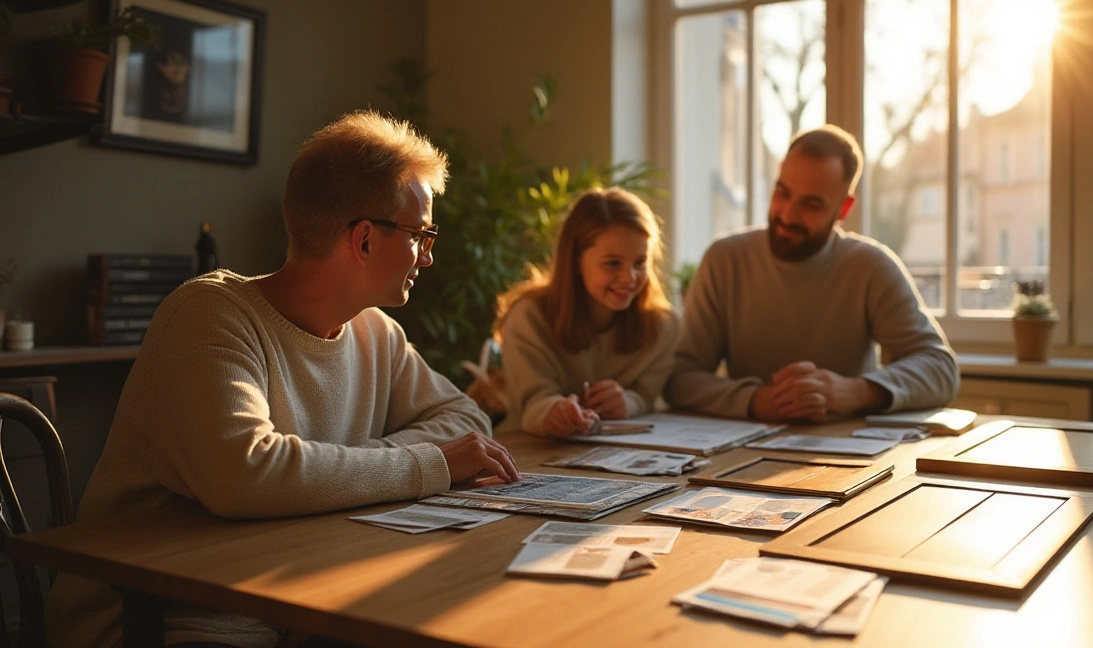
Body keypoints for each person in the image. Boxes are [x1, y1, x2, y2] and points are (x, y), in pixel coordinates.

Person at [46, 111, 520, 648]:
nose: (428, 255)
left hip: (293, 589)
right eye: (421, 233)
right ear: (364, 239)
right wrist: (425, 463)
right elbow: (244, 474)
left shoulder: (375, 334)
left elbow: (466, 419)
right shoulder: (209, 314)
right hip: (165, 613)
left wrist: (346, 465)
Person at [664, 124, 959, 423]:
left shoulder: (870, 266)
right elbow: (679, 378)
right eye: (783, 193)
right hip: (743, 453)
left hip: (850, 454)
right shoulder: (725, 259)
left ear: (843, 208)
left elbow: (941, 368)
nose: (788, 215)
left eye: (811, 204)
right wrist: (757, 401)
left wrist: (853, 392)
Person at [496, 187, 678, 437]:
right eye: (612, 263)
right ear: (575, 261)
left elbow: (647, 395)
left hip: (622, 456)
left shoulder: (663, 325)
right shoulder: (529, 317)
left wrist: (629, 402)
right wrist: (554, 412)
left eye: (640, 262)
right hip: (530, 453)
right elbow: (531, 403)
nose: (629, 278)